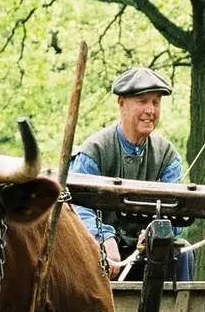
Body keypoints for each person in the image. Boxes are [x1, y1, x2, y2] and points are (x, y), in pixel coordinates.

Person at [70, 66, 193, 282]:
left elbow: (175, 209)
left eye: (156, 102)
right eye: (142, 101)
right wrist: (104, 238)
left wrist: (158, 230)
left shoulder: (167, 155)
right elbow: (79, 207)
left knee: (185, 253)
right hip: (102, 250)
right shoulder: (96, 149)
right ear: (121, 104)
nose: (150, 110)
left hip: (148, 252)